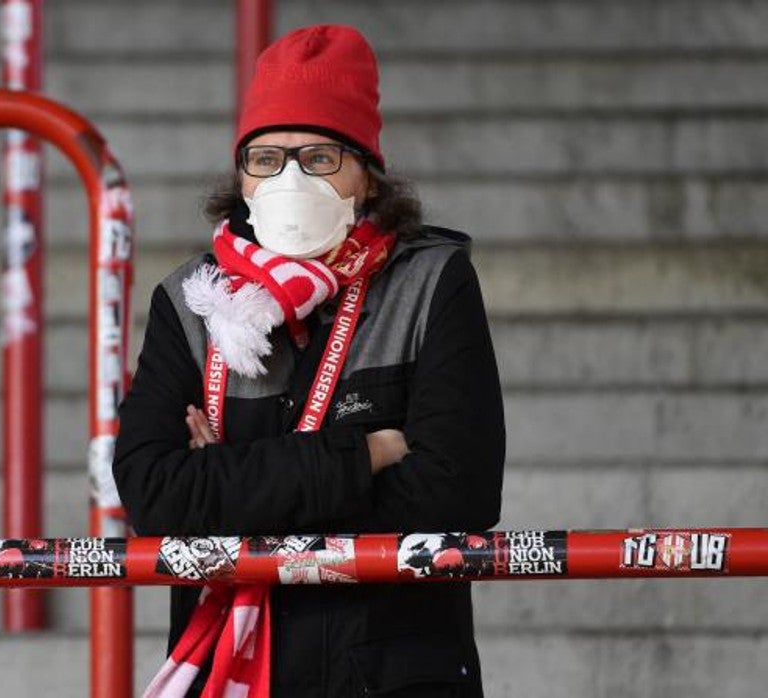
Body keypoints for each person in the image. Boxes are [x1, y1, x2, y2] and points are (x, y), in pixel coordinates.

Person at [112, 25, 506, 697]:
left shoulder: (430, 283)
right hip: (225, 671)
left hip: (391, 672)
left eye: (319, 157)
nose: (289, 178)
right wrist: (363, 455)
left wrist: (227, 489)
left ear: (368, 179)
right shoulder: (190, 300)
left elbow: (456, 492)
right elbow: (155, 497)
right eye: (265, 158)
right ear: (241, 177)